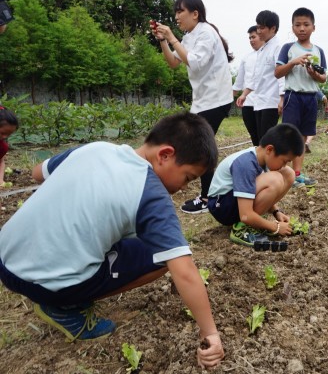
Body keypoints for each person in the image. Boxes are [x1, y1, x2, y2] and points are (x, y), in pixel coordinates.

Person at [0, 113, 225, 368]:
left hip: (5, 260)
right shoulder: (152, 194)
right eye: (187, 178)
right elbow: (184, 272)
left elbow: (38, 173)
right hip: (46, 285)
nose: (184, 188)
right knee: (160, 258)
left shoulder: (98, 148)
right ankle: (67, 308)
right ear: (165, 154)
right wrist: (211, 333)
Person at [152, 0, 233, 215]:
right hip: (202, 99)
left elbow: (195, 64)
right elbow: (173, 63)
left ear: (195, 13)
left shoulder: (206, 33)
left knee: (202, 146)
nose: (177, 16)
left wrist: (172, 38)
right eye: (176, 12)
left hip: (216, 98)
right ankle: (207, 194)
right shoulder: (190, 36)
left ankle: (207, 198)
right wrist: (163, 41)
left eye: (181, 11)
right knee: (200, 144)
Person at [207, 124, 304, 249]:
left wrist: (276, 212)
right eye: (284, 160)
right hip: (222, 206)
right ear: (269, 150)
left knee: (289, 173)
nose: (284, 164)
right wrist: (275, 227)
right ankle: (242, 229)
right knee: (275, 179)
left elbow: (256, 186)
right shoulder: (246, 164)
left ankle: (253, 222)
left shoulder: (261, 156)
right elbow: (245, 214)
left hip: (234, 200)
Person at [275, 7, 327, 188]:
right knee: (290, 135)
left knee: (303, 138)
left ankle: (297, 174)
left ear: (313, 27)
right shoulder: (288, 49)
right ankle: (283, 173)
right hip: (293, 96)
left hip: (310, 98)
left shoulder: (319, 51)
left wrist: (312, 72)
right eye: (298, 25)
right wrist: (293, 62)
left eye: (306, 24)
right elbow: (277, 72)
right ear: (292, 27)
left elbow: (323, 78)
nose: (302, 28)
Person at [236, 10, 285, 144]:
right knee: (258, 139)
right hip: (259, 102)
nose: (258, 31)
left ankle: (270, 165)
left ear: (273, 28)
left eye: (262, 27)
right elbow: (257, 77)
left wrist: (282, 98)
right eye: (257, 27)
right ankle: (260, 165)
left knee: (266, 140)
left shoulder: (277, 47)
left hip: (270, 101)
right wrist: (244, 94)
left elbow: (281, 74)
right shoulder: (263, 50)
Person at [233, 25, 265, 146]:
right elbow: (238, 82)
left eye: (254, 37)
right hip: (248, 103)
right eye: (250, 37)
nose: (251, 40)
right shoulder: (246, 58)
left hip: (264, 103)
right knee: (254, 135)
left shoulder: (269, 55)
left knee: (265, 136)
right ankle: (258, 161)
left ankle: (267, 162)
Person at [0, 106, 19, 185]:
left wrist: (0, 180)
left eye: (9, 134)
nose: (5, 137)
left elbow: (1, 162)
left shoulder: (2, 146)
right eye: (3, 133)